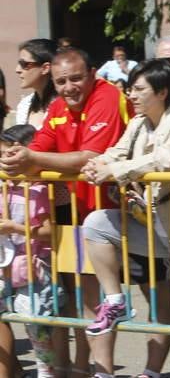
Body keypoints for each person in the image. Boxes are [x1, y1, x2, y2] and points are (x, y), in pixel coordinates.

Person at [0, 47, 134, 376]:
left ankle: (103, 370)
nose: (69, 87)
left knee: (157, 304)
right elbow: (38, 148)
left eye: (76, 78)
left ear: (92, 74)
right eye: (61, 81)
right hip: (77, 214)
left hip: (120, 215)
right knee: (86, 298)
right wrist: (16, 158)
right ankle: (85, 369)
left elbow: (90, 155)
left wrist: (31, 160)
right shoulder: (58, 105)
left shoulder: (107, 95)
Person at [80, 59, 170, 378]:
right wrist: (96, 165)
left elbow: (167, 160)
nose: (132, 95)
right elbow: (117, 152)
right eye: (130, 88)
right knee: (97, 223)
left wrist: (116, 170)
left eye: (139, 89)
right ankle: (115, 300)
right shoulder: (139, 123)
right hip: (152, 227)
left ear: (162, 91)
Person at [0, 125, 66, 378]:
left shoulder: (38, 190)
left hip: (33, 270)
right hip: (7, 265)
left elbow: (50, 232)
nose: (6, 161)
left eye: (11, 155)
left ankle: (45, 371)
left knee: (36, 329)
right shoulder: (4, 186)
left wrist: (14, 227)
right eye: (2, 155)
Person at [14, 38, 59, 130]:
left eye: (24, 64)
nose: (17, 70)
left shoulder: (64, 105)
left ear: (45, 68)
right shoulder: (25, 105)